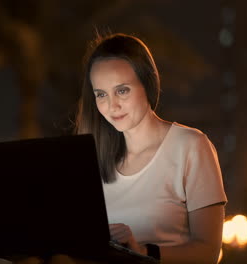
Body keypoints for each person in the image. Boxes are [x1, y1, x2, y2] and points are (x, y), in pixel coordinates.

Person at [73, 32, 227, 263]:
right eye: (101, 95)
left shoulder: (191, 146)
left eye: (122, 90)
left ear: (147, 83)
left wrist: (142, 251)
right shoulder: (93, 160)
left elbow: (208, 252)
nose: (112, 105)